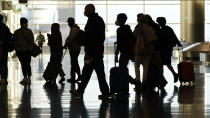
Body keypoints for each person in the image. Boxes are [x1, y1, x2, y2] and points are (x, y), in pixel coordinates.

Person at [70, 4, 110, 100]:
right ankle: (104, 92)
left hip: (93, 53)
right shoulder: (96, 20)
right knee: (92, 73)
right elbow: (98, 38)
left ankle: (81, 91)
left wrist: (89, 53)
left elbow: (92, 38)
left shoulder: (93, 21)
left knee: (91, 73)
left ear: (90, 10)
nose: (84, 11)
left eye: (85, 9)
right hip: (96, 52)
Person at [115, 13, 141, 90]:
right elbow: (134, 39)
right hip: (129, 51)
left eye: (117, 19)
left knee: (122, 69)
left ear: (120, 20)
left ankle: (133, 82)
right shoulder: (128, 29)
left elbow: (119, 43)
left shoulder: (119, 30)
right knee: (123, 69)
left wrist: (116, 53)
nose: (116, 21)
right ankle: (127, 85)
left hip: (124, 52)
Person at [133, 14, 157, 89]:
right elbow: (154, 39)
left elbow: (133, 37)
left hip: (139, 49)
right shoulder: (149, 28)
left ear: (138, 20)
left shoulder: (137, 28)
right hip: (148, 49)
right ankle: (144, 81)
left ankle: (138, 81)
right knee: (145, 67)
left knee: (137, 66)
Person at [156, 17, 182, 83]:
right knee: (167, 63)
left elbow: (158, 40)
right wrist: (178, 43)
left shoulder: (160, 30)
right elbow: (174, 36)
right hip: (168, 49)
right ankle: (173, 74)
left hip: (162, 49)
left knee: (161, 64)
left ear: (159, 22)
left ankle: (162, 78)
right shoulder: (169, 29)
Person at [13, 18, 34, 85]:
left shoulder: (28, 32)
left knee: (27, 64)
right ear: (21, 23)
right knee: (24, 64)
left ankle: (28, 78)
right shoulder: (17, 32)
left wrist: (30, 49)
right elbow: (15, 42)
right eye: (24, 23)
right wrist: (17, 50)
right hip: (21, 51)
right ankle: (26, 77)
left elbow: (31, 41)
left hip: (26, 51)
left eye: (26, 23)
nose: (25, 24)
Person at [64, 17, 82, 83]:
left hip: (74, 48)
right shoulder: (74, 28)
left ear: (71, 22)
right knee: (74, 63)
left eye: (69, 22)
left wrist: (66, 44)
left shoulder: (74, 29)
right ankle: (75, 77)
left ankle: (78, 76)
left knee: (74, 63)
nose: (68, 23)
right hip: (74, 48)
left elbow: (71, 38)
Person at [0, 14, 13, 85]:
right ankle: (3, 78)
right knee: (4, 63)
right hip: (4, 49)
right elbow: (9, 36)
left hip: (2, 48)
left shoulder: (4, 27)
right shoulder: (5, 27)